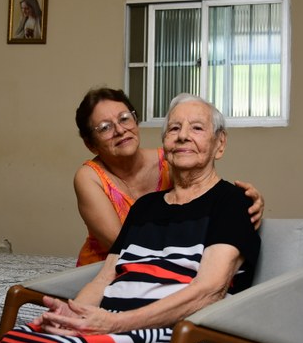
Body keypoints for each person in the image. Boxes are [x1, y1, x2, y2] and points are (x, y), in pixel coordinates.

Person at [0, 93, 261, 343]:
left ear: (220, 144)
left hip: (170, 331)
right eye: (174, 128)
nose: (182, 136)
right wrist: (73, 316)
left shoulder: (231, 202)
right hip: (112, 325)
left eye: (198, 128)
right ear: (165, 145)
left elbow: (209, 291)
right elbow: (104, 279)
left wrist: (114, 323)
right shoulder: (145, 207)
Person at [74, 87, 264, 266]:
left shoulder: (170, 158)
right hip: (106, 268)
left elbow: (206, 191)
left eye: (124, 118)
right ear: (91, 144)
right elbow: (125, 248)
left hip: (167, 267)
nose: (120, 130)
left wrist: (243, 203)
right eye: (105, 127)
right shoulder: (89, 177)